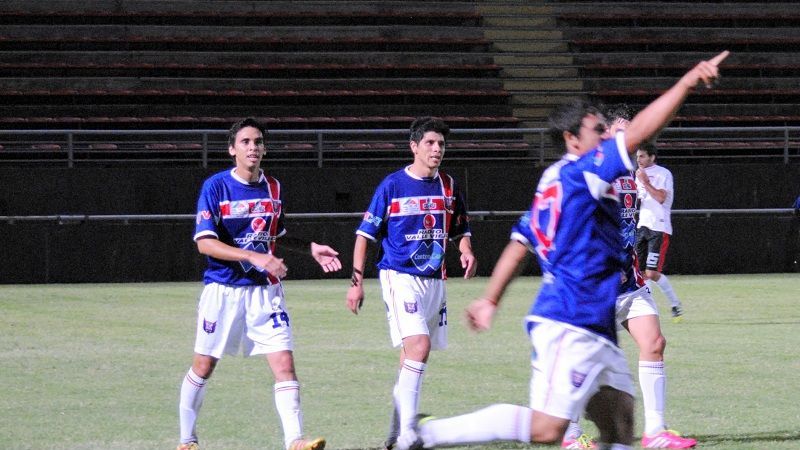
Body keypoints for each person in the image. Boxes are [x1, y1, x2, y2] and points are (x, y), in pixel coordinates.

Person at [398, 51, 728, 450]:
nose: (608, 136)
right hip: (571, 318)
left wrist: (489, 299)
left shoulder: (554, 181)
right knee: (549, 429)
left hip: (594, 321)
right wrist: (688, 81)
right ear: (573, 139)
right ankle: (426, 433)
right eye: (598, 130)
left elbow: (519, 245)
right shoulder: (584, 169)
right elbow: (639, 130)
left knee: (620, 426)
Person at [177, 117, 342, 450]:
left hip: (265, 294)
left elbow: (275, 234)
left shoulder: (274, 188)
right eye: (245, 142)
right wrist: (252, 257)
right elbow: (205, 243)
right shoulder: (216, 187)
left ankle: (296, 441)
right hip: (223, 291)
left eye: (257, 142)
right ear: (232, 149)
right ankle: (186, 440)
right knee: (204, 366)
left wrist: (310, 247)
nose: (252, 147)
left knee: (284, 364)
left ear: (264, 148)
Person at [559, 107, 697, 449]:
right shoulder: (589, 170)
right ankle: (570, 435)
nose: (629, 139)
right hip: (595, 285)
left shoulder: (631, 174)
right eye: (621, 132)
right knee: (581, 362)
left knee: (655, 343)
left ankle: (655, 432)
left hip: (629, 280)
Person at [346, 116, 478, 450]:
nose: (437, 149)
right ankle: (407, 435)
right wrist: (356, 282)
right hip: (399, 276)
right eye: (430, 143)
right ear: (414, 146)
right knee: (418, 347)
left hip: (435, 281)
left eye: (441, 144)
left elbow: (460, 230)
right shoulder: (392, 186)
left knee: (412, 358)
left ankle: (393, 437)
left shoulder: (448, 186)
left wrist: (466, 251)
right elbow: (364, 236)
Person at [635, 142, 683, 320]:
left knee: (652, 272)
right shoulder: (638, 175)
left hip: (659, 227)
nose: (639, 159)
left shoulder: (663, 173)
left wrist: (645, 182)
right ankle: (647, 311)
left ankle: (675, 304)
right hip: (643, 225)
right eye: (637, 156)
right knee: (639, 272)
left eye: (642, 156)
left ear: (652, 157)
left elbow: (661, 198)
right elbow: (638, 199)